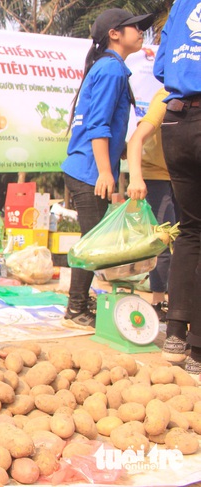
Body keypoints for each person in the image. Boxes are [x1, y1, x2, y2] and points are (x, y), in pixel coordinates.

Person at [61, 8, 153, 331]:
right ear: (115, 33)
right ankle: (75, 308)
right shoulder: (112, 71)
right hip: (89, 170)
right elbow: (98, 126)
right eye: (135, 27)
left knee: (92, 239)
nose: (142, 31)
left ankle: (79, 301)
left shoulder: (109, 68)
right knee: (92, 242)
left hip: (87, 167)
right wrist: (105, 172)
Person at [154, 0, 201, 376]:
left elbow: (161, 68)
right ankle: (199, 352)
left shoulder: (181, 5)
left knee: (190, 231)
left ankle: (174, 335)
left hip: (176, 122)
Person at [125, 86, 181, 361]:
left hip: (184, 178)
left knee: (185, 244)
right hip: (157, 178)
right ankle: (159, 301)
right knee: (162, 242)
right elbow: (136, 139)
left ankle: (182, 306)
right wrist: (136, 178)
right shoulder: (166, 96)